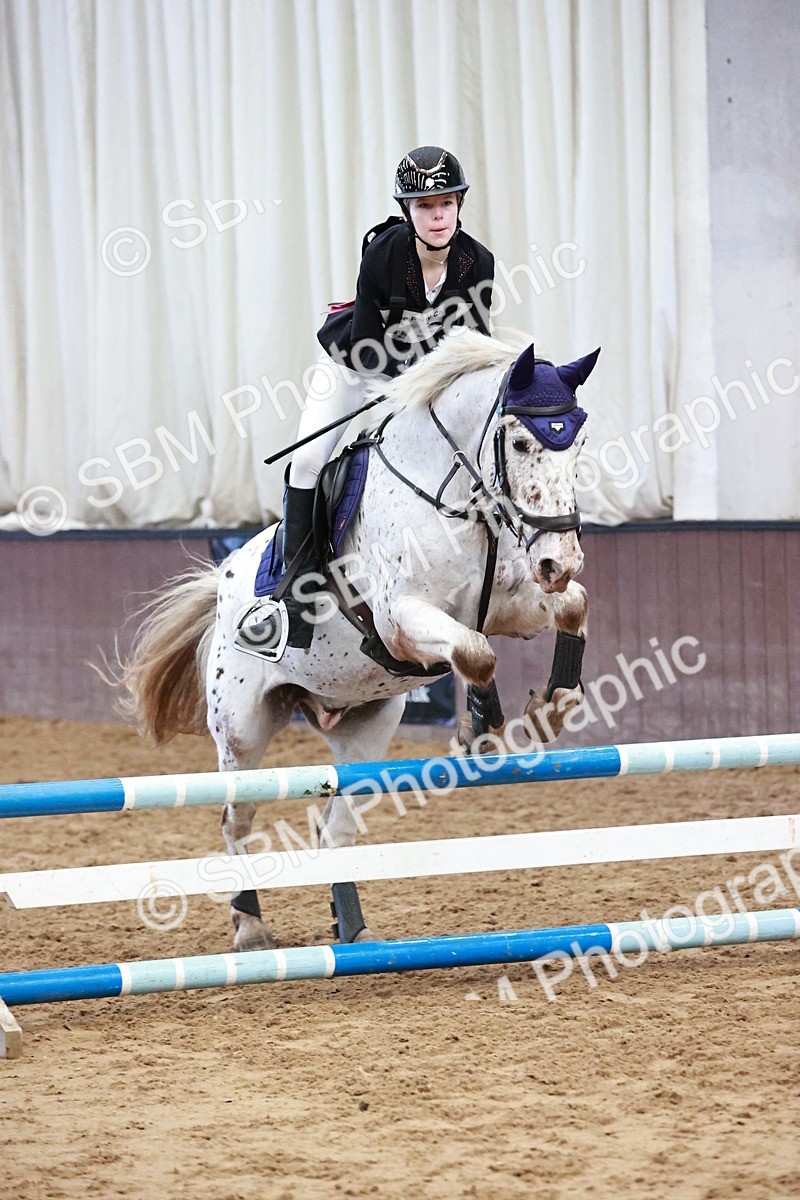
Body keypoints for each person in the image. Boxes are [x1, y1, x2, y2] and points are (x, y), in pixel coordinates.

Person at [272, 145, 495, 650]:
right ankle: (297, 595)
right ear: (406, 211)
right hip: (357, 366)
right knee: (306, 463)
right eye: (424, 206)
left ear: (459, 204)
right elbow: (371, 350)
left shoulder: (478, 262)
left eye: (445, 204)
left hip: (423, 376)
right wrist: (419, 387)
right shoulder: (384, 254)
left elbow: (475, 348)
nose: (436, 216)